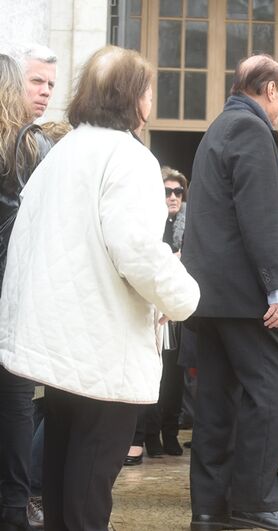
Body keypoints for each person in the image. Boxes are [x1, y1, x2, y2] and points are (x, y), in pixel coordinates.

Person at [0, 45, 200, 531]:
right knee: (88, 490)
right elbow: (136, 249)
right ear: (131, 97)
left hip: (62, 343)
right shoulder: (128, 157)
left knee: (64, 478)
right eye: (148, 89)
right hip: (101, 348)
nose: (152, 98)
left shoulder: (62, 151)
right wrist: (185, 296)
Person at [181, 53, 278, 531]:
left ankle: (210, 509)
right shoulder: (252, 130)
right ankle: (256, 503)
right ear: (271, 91)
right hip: (246, 298)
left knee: (217, 401)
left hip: (213, 298)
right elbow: (260, 217)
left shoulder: (220, 126)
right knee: (274, 389)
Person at [0, 52, 54, 531]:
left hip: (13, 291)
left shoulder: (30, 144)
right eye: (35, 82)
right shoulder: (31, 145)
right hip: (14, 294)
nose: (44, 91)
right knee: (15, 405)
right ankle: (15, 509)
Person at [125, 166, 191, 465]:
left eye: (178, 191)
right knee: (151, 372)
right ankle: (145, 436)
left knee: (175, 377)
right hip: (151, 306)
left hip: (179, 308)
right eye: (167, 191)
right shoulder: (149, 221)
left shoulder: (190, 223)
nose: (173, 197)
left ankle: (171, 432)